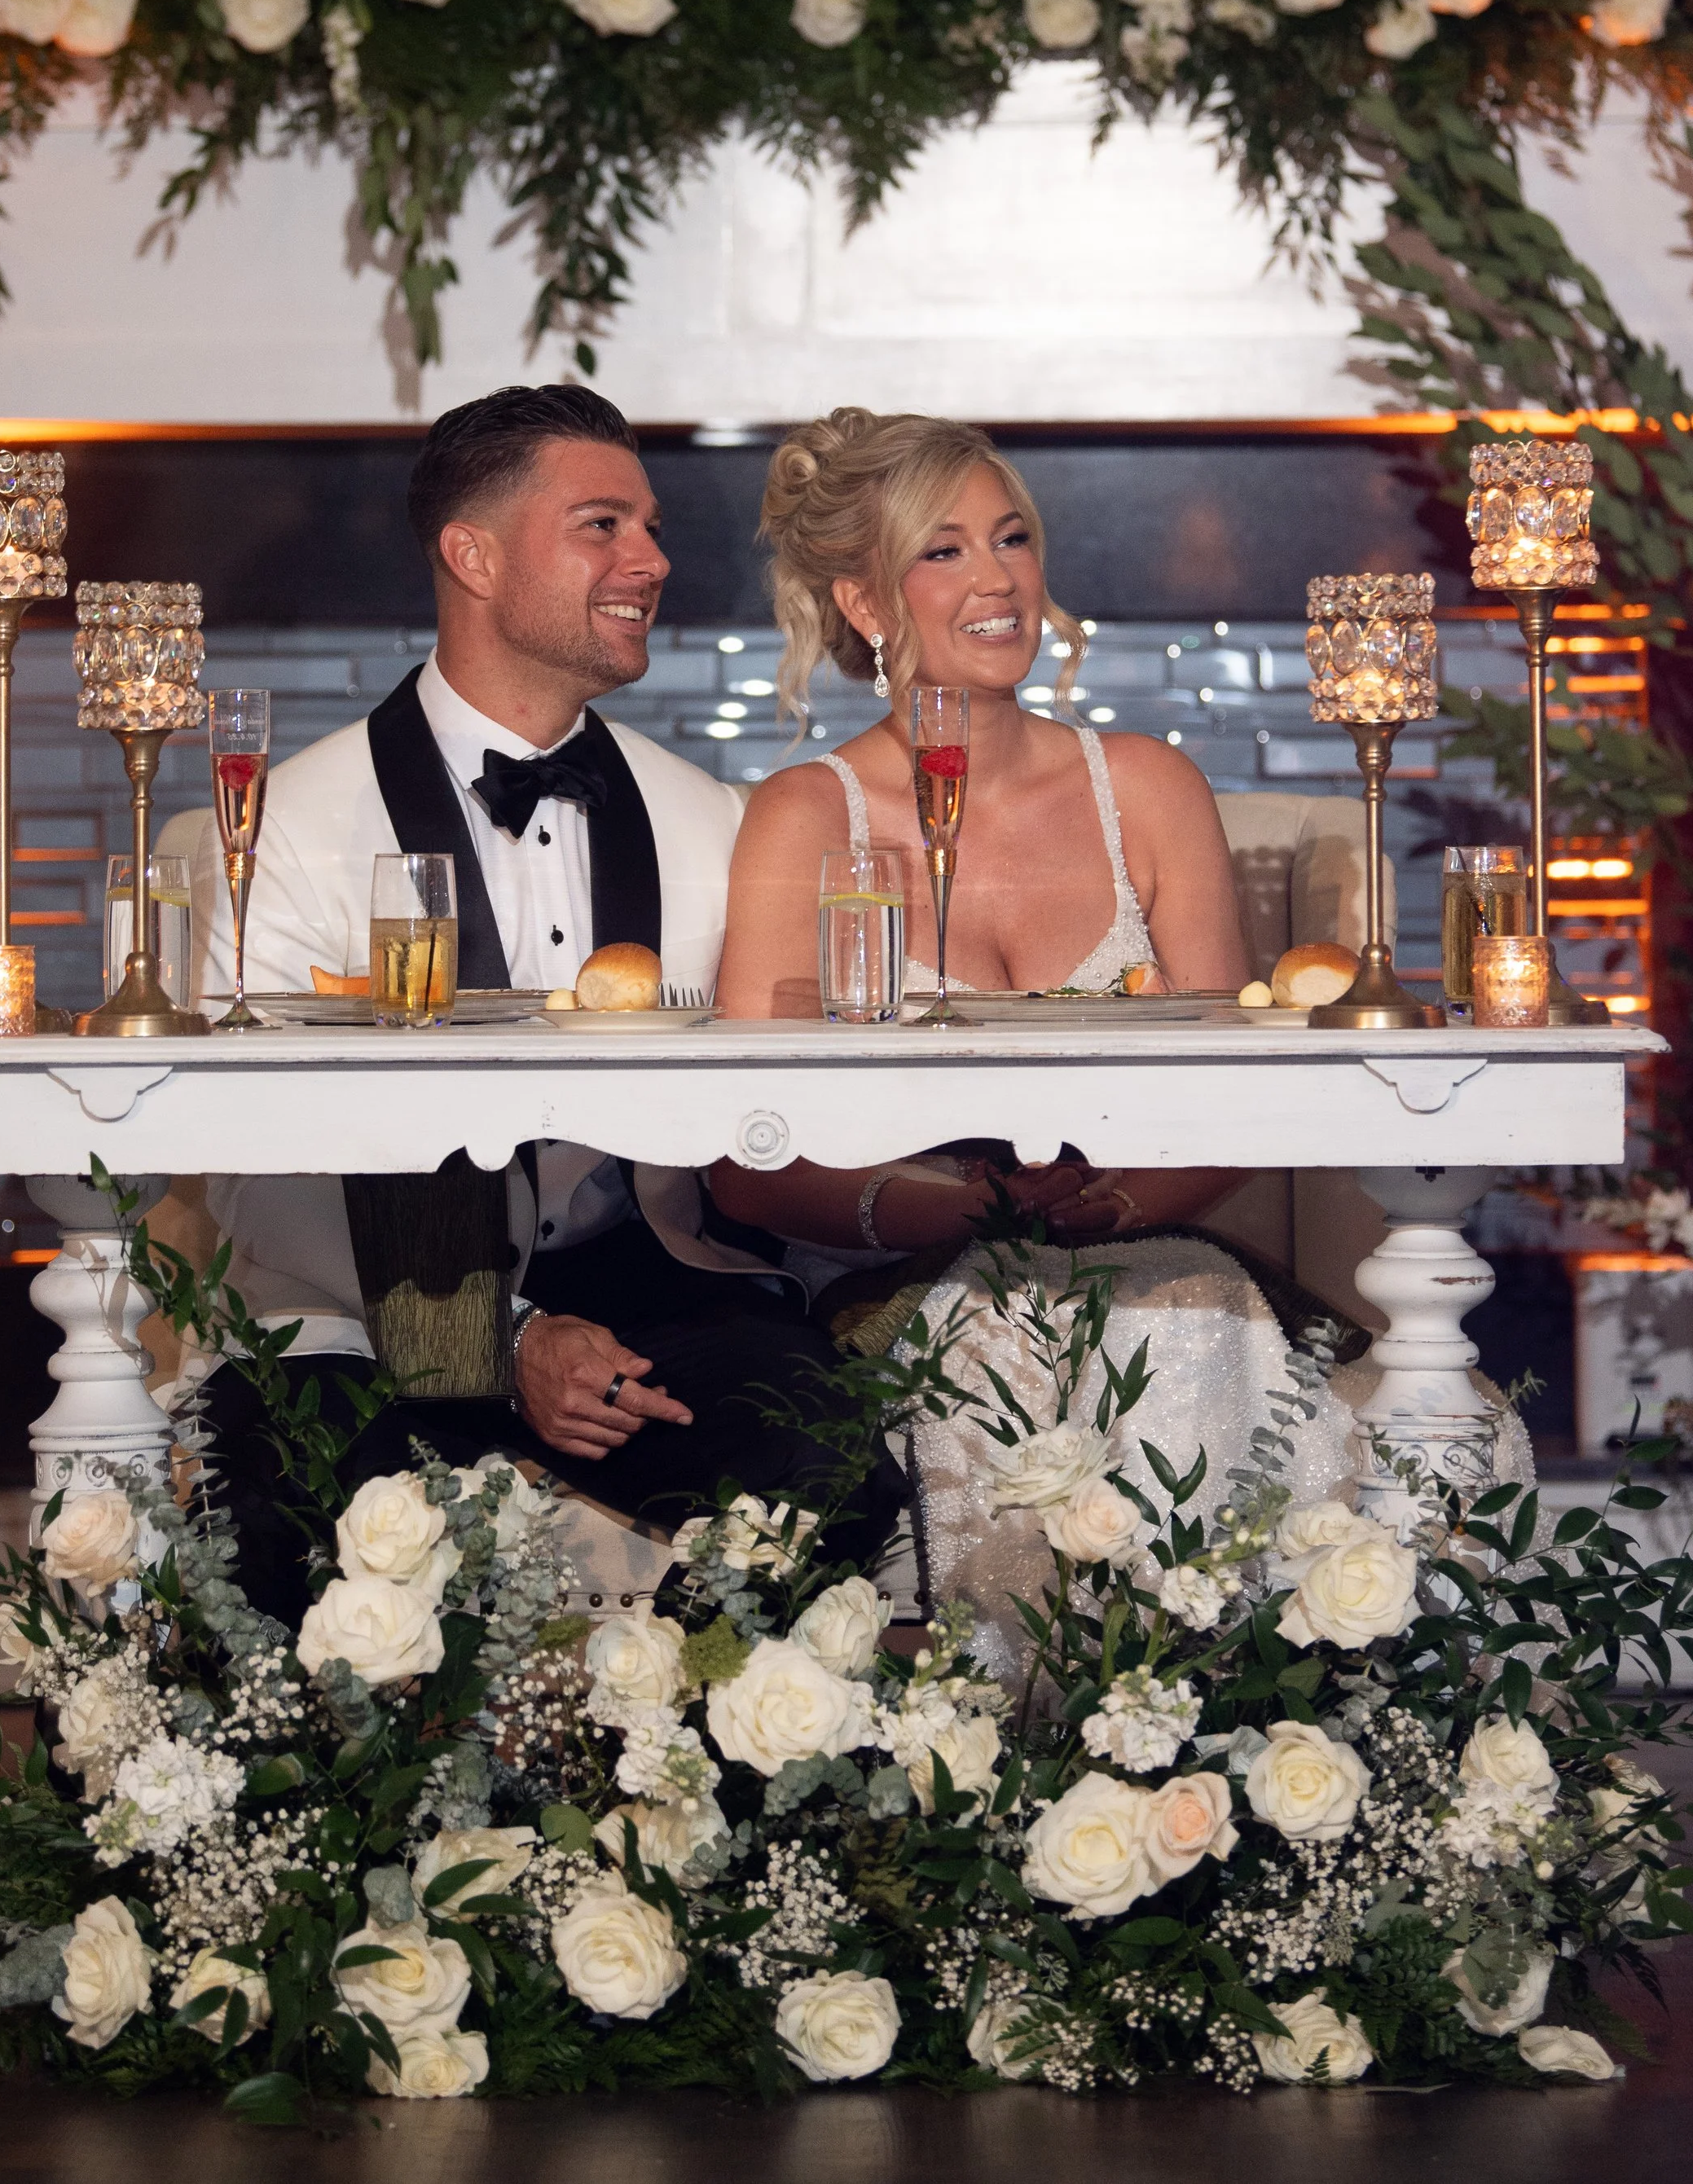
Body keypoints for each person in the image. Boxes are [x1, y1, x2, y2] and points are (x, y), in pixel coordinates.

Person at [710, 411, 1528, 1676]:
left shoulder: (1146, 788)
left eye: (1014, 536)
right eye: (944, 552)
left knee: (1180, 1312)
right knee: (1033, 1339)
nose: (997, 578)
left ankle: (1242, 1725)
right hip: (913, 1279)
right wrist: (942, 1207)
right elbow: (742, 1159)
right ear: (864, 600)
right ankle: (1034, 1739)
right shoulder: (800, 819)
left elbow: (1234, 1106)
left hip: (1151, 1249)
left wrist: (1114, 1205)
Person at [198, 385, 897, 1621]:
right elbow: (257, 1170)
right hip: (362, 1318)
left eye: (652, 525)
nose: (655, 559)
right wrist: (505, 1338)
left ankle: (684, 1774)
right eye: (603, 525)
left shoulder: (714, 821)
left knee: (825, 1470)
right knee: (302, 1511)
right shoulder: (283, 831)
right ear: (471, 554)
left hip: (652, 1289)